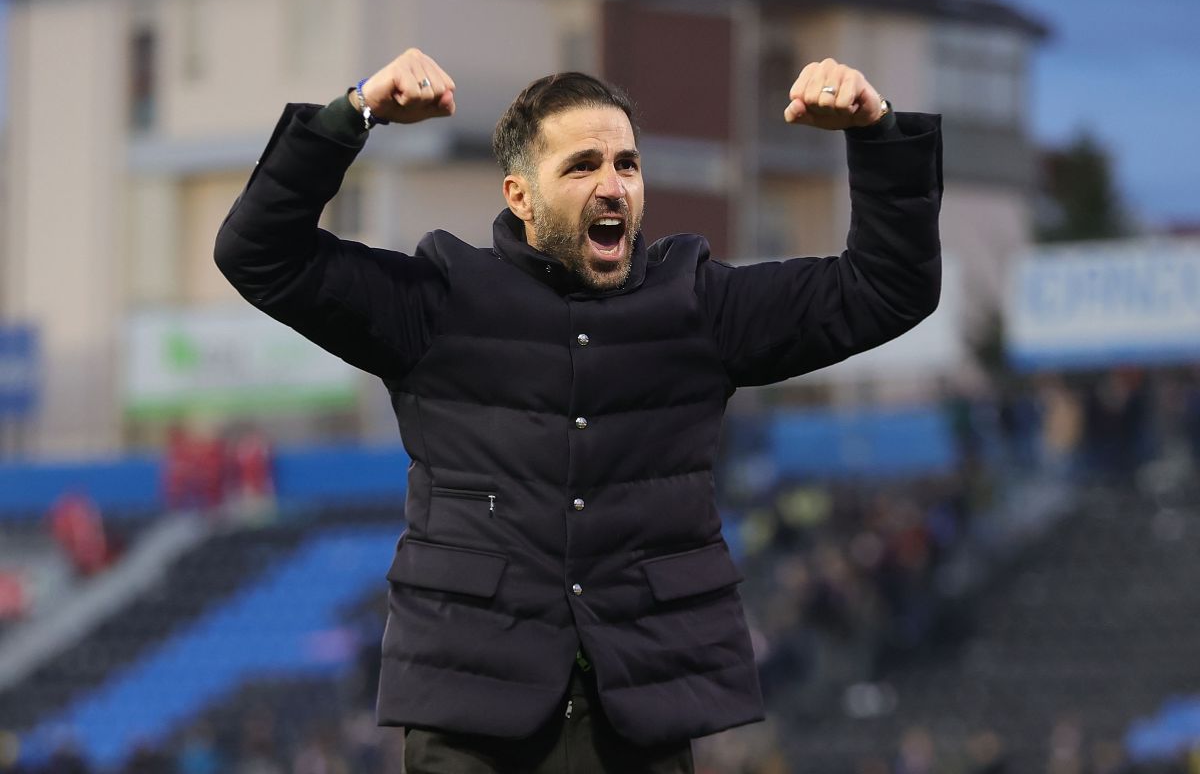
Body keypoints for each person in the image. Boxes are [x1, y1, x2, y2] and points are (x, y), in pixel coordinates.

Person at [215, 48, 942, 773]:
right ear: (520, 195)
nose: (613, 185)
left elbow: (887, 290)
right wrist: (357, 111)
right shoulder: (437, 304)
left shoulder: (696, 305)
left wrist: (874, 132)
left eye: (626, 164)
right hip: (472, 729)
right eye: (582, 166)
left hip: (641, 723)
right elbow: (259, 253)